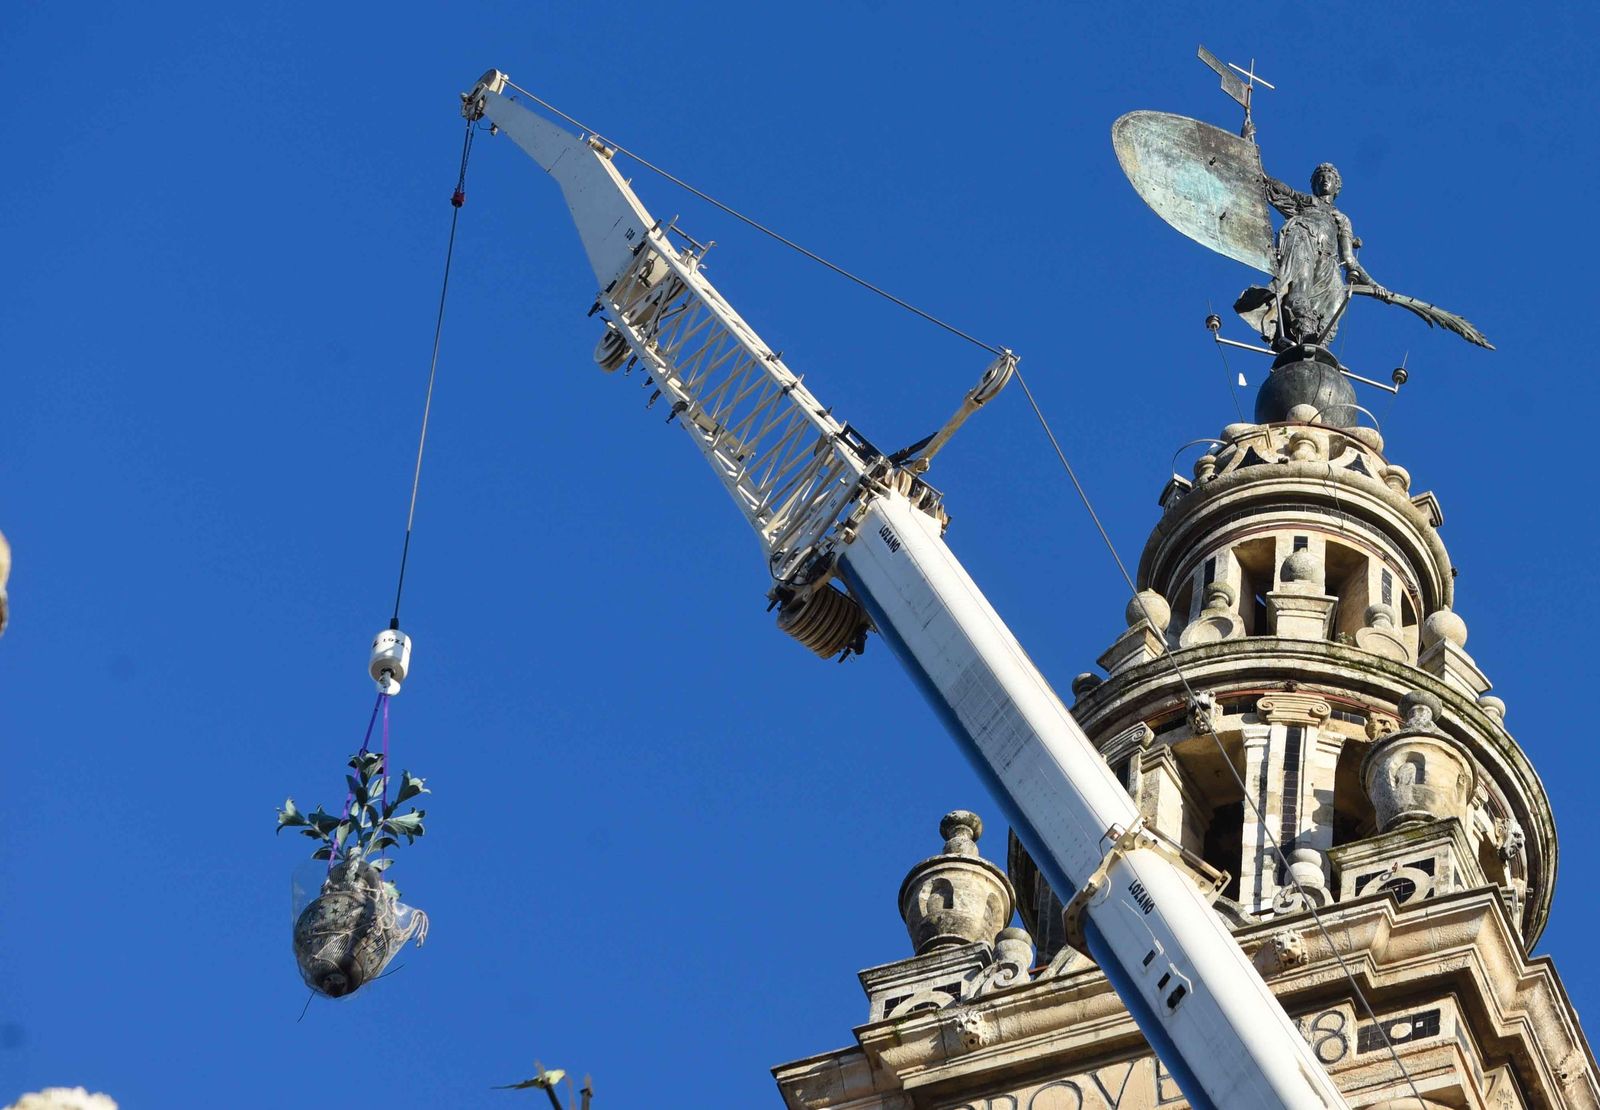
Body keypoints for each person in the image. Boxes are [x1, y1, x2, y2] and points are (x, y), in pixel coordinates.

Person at [1235, 163, 1388, 349]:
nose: (1324, 180)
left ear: (1337, 186)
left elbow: (1349, 259)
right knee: (1300, 287)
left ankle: (1318, 348)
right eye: (1320, 178)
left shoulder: (1342, 219)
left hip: (1328, 261)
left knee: (1337, 303)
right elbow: (1282, 190)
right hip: (1303, 238)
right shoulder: (1308, 202)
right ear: (1314, 185)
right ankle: (1303, 333)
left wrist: (1374, 285)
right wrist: (1257, 164)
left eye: (1329, 178)